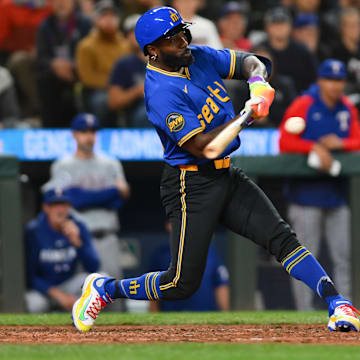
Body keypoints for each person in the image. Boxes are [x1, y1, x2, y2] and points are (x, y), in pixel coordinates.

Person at [72, 6, 360, 333]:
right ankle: (106, 289)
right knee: (180, 283)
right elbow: (205, 148)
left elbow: (254, 61)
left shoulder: (198, 56)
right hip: (189, 184)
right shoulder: (160, 92)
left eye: (182, 32)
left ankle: (338, 303)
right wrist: (246, 116)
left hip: (225, 174)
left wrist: (256, 83)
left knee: (282, 238)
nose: (182, 41)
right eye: (172, 38)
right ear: (152, 50)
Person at [279, 59, 360, 310]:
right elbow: (284, 142)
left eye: (339, 80)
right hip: (305, 196)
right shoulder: (304, 103)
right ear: (320, 81)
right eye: (330, 80)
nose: (335, 85)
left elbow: (357, 140)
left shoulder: (346, 107)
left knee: (343, 258)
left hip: (336, 195)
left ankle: (344, 310)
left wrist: (340, 144)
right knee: (305, 258)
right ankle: (304, 313)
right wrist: (314, 146)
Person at [47, 113, 130, 284]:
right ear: (74, 134)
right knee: (82, 292)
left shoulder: (111, 164)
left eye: (92, 132)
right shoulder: (62, 165)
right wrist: (110, 192)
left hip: (108, 237)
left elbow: (119, 200)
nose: (89, 137)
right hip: (78, 240)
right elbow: (74, 200)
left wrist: (84, 196)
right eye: (84, 132)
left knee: (113, 293)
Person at [25, 188, 100, 313]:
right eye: (54, 205)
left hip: (69, 284)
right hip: (44, 290)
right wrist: (58, 295)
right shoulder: (34, 230)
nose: (60, 209)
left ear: (69, 206)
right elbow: (29, 276)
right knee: (35, 304)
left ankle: (84, 323)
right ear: (46, 207)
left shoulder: (78, 226)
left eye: (63, 204)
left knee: (101, 281)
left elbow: (94, 267)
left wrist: (77, 242)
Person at [149, 223, 230, 312]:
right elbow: (153, 289)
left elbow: (220, 285)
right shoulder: (161, 254)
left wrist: (225, 312)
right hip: (171, 316)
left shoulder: (208, 250)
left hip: (204, 314)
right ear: (169, 226)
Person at [36, 0, 92, 127]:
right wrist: (54, 64)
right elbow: (41, 57)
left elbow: (92, 52)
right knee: (44, 79)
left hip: (79, 70)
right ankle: (48, 127)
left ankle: (85, 127)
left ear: (73, 3)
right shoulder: (45, 25)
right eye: (56, 1)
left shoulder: (84, 23)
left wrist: (73, 65)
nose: (61, 3)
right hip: (54, 73)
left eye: (65, 0)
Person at [76, 0, 131, 124]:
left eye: (112, 16)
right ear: (95, 20)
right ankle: (100, 131)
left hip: (125, 90)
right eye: (104, 16)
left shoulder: (126, 45)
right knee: (102, 101)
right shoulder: (86, 45)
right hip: (98, 90)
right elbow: (87, 77)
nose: (108, 20)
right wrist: (115, 86)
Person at [0, 0, 52, 119]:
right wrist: (27, 48)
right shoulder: (6, 6)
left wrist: (40, 50)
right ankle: (40, 109)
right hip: (12, 57)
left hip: (44, 55)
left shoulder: (49, 6)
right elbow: (2, 40)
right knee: (21, 61)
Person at [260, 7, 317, 94]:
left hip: (299, 99)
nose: (279, 28)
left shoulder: (302, 51)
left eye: (283, 24)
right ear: (266, 27)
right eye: (275, 24)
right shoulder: (260, 51)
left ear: (290, 26)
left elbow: (314, 80)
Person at [108, 14, 148, 127]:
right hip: (137, 112)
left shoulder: (164, 59)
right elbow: (113, 101)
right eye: (132, 33)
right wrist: (137, 91)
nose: (137, 36)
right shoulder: (124, 64)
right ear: (126, 38)